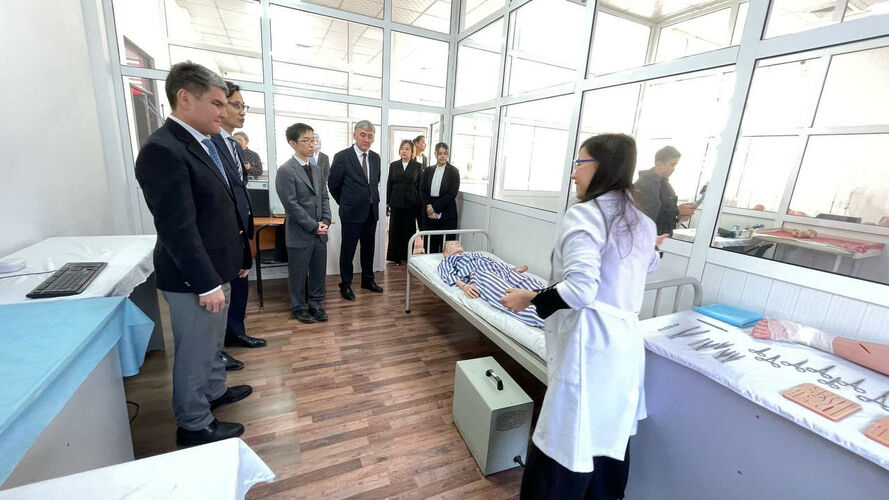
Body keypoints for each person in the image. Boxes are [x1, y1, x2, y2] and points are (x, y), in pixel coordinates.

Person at [501, 134, 664, 499]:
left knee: (563, 449)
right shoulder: (641, 221)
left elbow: (580, 289)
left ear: (601, 167)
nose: (574, 173)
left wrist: (531, 297)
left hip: (590, 346)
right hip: (623, 348)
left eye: (579, 164)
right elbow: (646, 263)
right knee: (606, 448)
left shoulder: (587, 214)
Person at [134, 61, 252, 447]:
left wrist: (236, 261)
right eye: (217, 103)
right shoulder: (163, 150)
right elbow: (177, 228)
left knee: (212, 345)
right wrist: (205, 283)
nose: (224, 111)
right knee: (194, 352)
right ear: (185, 98)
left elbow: (223, 207)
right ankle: (194, 423)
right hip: (194, 279)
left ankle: (214, 392)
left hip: (218, 269)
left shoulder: (205, 142)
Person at [211, 82, 267, 367]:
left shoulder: (234, 145)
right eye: (236, 105)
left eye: (243, 106)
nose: (242, 111)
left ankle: (236, 332)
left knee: (240, 283)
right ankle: (217, 348)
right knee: (222, 292)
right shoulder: (209, 144)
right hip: (222, 232)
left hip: (240, 230)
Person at [276, 123, 331, 324]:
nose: (311, 144)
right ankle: (298, 307)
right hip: (300, 233)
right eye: (305, 140)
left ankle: (316, 303)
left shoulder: (316, 169)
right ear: (293, 143)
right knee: (298, 274)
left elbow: (324, 196)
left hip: (320, 232)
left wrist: (326, 220)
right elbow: (291, 205)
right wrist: (314, 226)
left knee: (318, 271)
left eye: (312, 140)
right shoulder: (285, 170)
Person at [328, 120, 384, 301]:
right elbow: (333, 185)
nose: (366, 139)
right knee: (348, 250)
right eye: (362, 135)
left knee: (369, 249)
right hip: (351, 213)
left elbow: (374, 182)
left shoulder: (375, 158)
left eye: (370, 136)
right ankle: (345, 284)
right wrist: (346, 203)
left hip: (371, 212)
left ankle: (368, 280)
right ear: (354, 135)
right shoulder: (342, 157)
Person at [438, 241, 544, 328]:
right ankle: (546, 320)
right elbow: (447, 274)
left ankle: (552, 303)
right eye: (452, 244)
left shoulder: (475, 254)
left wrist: (514, 270)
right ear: (445, 253)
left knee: (531, 285)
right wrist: (464, 286)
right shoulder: (448, 260)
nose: (456, 244)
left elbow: (496, 263)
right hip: (481, 273)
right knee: (508, 296)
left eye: (458, 243)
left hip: (502, 270)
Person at [634, 146, 695, 236]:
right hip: (649, 238)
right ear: (659, 164)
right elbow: (648, 215)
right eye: (672, 164)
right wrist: (677, 210)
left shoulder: (664, 184)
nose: (673, 169)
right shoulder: (645, 184)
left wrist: (679, 217)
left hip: (662, 236)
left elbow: (665, 213)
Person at [419, 142, 460, 254]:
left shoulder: (454, 172)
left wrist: (435, 208)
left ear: (448, 155)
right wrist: (429, 208)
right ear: (435, 154)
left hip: (447, 212)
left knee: (446, 249)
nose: (442, 156)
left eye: (445, 153)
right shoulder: (428, 170)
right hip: (428, 212)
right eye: (440, 153)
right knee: (429, 247)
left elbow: (452, 193)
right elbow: (422, 191)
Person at [387, 139, 423, 265]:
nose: (404, 151)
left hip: (411, 203)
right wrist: (387, 203)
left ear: (412, 152)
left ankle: (407, 256)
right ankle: (395, 256)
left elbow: (420, 186)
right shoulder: (394, 165)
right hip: (396, 202)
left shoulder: (417, 166)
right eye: (402, 148)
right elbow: (389, 184)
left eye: (407, 149)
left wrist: (419, 203)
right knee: (395, 231)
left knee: (408, 230)